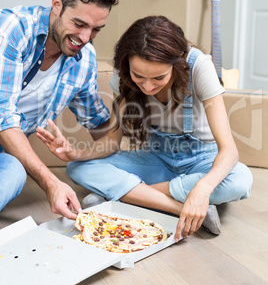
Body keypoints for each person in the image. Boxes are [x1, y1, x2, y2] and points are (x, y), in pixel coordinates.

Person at [36, 15, 252, 240]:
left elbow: (229, 150)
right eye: (138, 76)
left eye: (159, 77)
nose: (147, 86)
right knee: (77, 168)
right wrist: (77, 153)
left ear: (177, 62)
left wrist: (203, 188)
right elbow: (112, 140)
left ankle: (126, 197)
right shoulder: (124, 71)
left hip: (200, 160)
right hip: (156, 158)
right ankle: (182, 208)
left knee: (239, 180)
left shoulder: (199, 67)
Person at [0, 0, 118, 219]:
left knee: (14, 172)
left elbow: (99, 123)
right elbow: (3, 118)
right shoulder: (14, 29)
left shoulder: (84, 60)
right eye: (79, 23)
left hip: (3, 157)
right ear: (57, 4)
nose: (85, 37)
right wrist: (52, 183)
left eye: (96, 29)